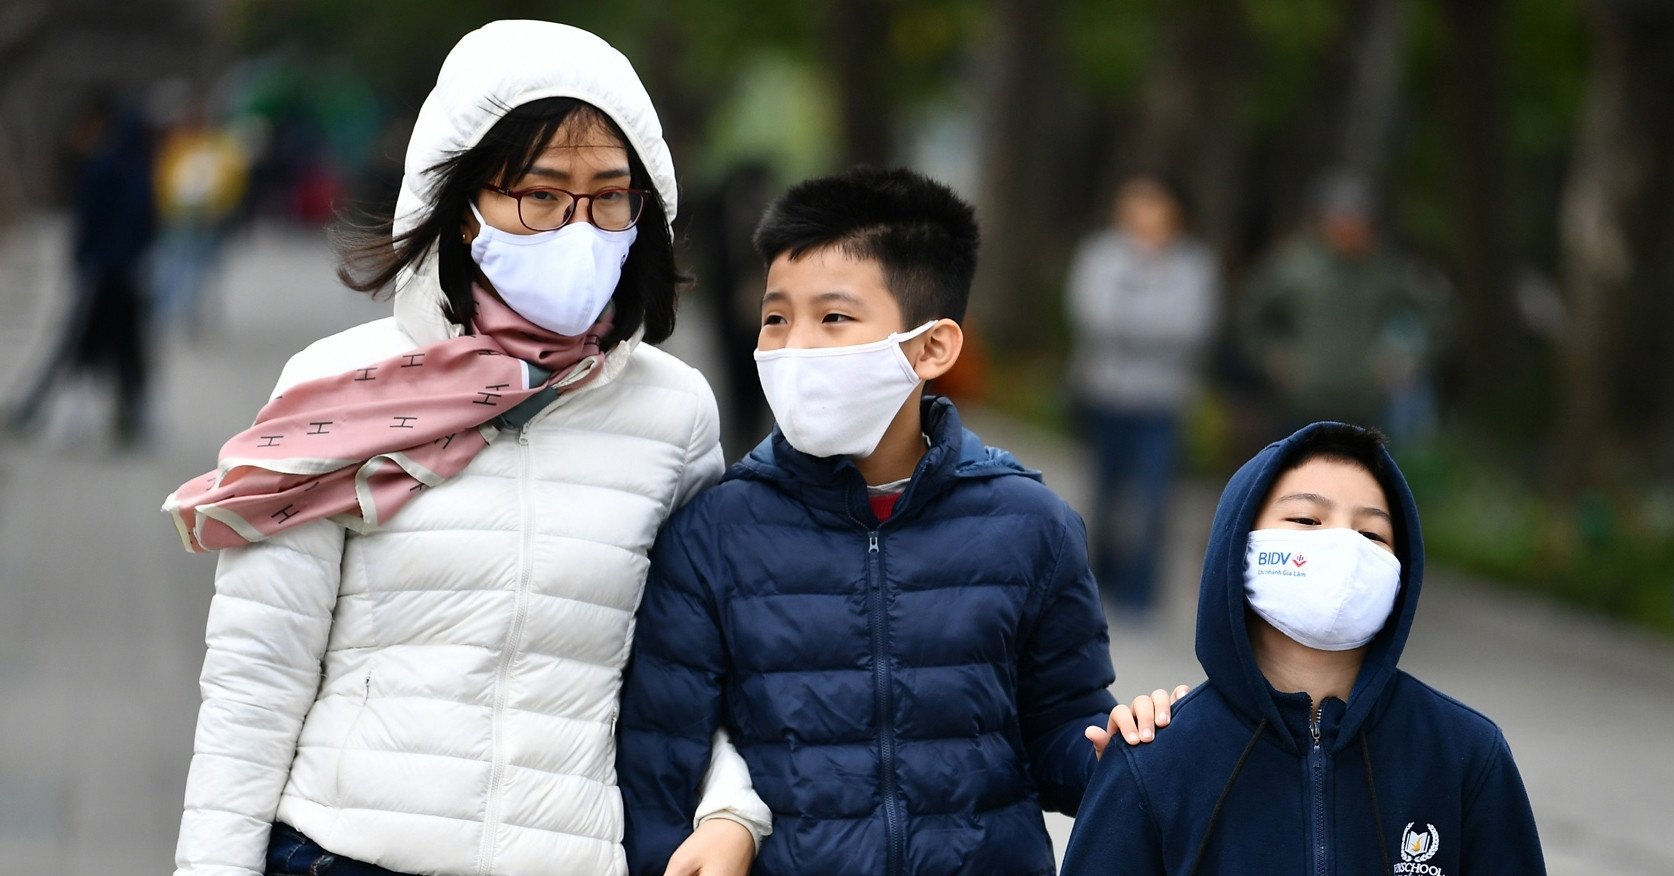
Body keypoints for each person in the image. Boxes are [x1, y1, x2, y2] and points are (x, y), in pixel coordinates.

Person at [163, 21, 770, 876]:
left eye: (608, 197)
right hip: (345, 853)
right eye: (542, 194)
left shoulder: (673, 415)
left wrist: (734, 813)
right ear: (461, 202)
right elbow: (255, 678)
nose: (579, 227)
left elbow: (714, 657)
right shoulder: (336, 392)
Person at [618, 166, 1147, 876]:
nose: (793, 345)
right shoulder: (712, 531)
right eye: (777, 317)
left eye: (834, 318)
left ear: (932, 348)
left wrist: (1125, 751)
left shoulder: (1031, 525)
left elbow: (1061, 735)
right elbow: (663, 763)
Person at [1059, 422, 1546, 874]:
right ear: (1240, 543)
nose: (1343, 545)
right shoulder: (1155, 761)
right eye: (1308, 519)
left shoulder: (1466, 757)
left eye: (1371, 533)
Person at [1065, 173, 1220, 616]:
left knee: (1154, 499)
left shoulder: (1194, 265)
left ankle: (1141, 591)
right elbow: (1093, 316)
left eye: (1152, 203)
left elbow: (1193, 328)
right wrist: (1151, 322)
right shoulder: (1100, 254)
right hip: (1104, 394)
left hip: (1163, 402)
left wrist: (1131, 321)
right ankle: (1093, 581)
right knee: (1101, 493)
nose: (1142, 214)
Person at [1237, 170, 1443, 438]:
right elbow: (1250, 311)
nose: (1350, 228)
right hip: (1304, 399)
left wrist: (1404, 360)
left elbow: (1434, 311)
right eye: (1341, 219)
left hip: (1366, 401)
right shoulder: (1293, 266)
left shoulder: (1385, 270)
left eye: (1359, 220)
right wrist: (1274, 357)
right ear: (1322, 220)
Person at [6, 90, 156, 447]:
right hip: (124, 273)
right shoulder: (138, 167)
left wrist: (84, 260)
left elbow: (89, 221)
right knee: (124, 349)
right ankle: (130, 418)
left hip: (100, 270)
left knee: (76, 344)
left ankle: (36, 409)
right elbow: (147, 224)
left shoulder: (103, 165)